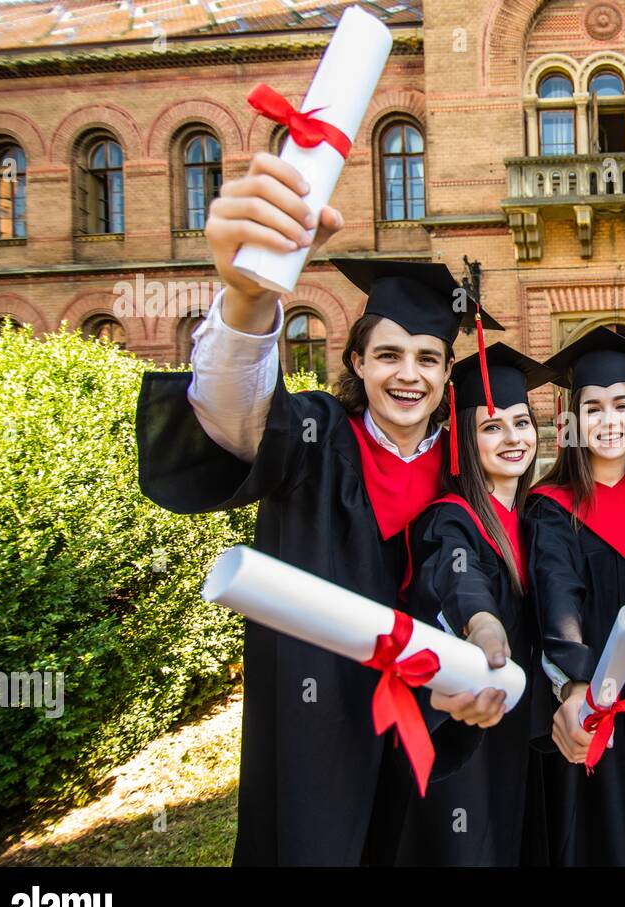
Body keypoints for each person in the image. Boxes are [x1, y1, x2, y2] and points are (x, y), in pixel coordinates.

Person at [135, 153, 504, 865]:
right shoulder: (314, 438)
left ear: (447, 375)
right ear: (358, 363)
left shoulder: (466, 470)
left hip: (433, 718)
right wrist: (247, 301)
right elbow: (230, 410)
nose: (408, 374)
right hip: (319, 720)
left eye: (428, 359)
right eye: (388, 355)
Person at [524, 326, 625, 865]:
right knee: (597, 836)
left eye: (622, 405)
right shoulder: (550, 507)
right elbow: (556, 595)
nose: (609, 421)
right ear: (569, 422)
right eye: (593, 408)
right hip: (591, 704)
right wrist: (578, 690)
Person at [396, 343, 556, 865]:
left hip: (520, 736)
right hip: (470, 736)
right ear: (465, 441)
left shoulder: (534, 519)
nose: (513, 438)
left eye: (522, 422)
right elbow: (458, 579)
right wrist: (484, 628)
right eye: (491, 427)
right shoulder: (453, 518)